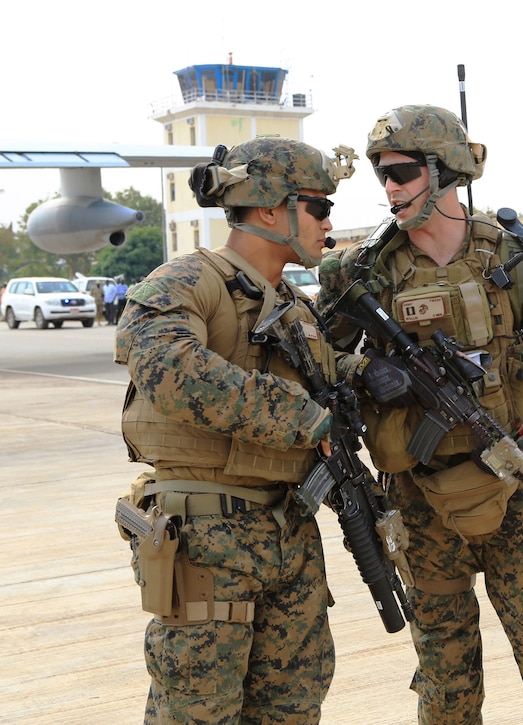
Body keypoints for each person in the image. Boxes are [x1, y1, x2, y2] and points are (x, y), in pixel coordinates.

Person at [318, 104, 523, 723]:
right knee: (445, 690)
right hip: (420, 504)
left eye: (401, 172)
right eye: (381, 175)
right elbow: (311, 369)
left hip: (521, 494)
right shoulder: (359, 273)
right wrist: (365, 372)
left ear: (444, 171)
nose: (389, 188)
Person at [114, 137, 360, 722]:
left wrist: (370, 377)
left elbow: (322, 383)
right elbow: (166, 368)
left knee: (293, 706)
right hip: (208, 539)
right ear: (272, 208)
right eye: (320, 207)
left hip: (289, 532)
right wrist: (302, 416)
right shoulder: (187, 279)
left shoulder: (296, 306)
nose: (330, 222)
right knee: (197, 711)